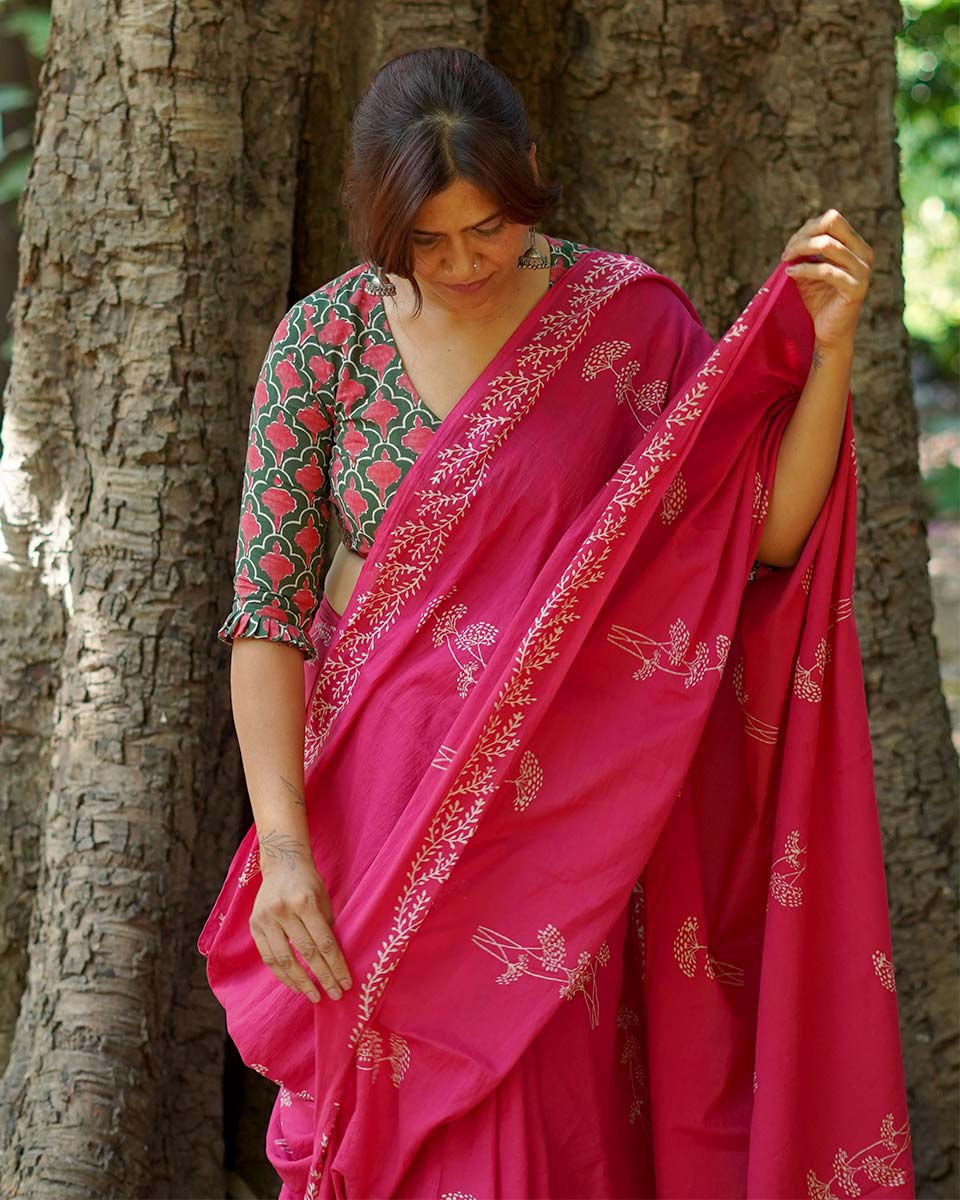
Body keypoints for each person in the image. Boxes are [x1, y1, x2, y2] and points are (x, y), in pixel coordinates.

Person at [198, 44, 913, 1200]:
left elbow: (761, 537)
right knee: (385, 1131)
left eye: (487, 227)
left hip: (566, 823)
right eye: (425, 242)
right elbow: (269, 618)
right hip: (375, 819)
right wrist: (284, 851)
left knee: (541, 1126)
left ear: (531, 176)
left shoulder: (623, 323)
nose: (464, 262)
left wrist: (826, 351)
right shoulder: (321, 346)